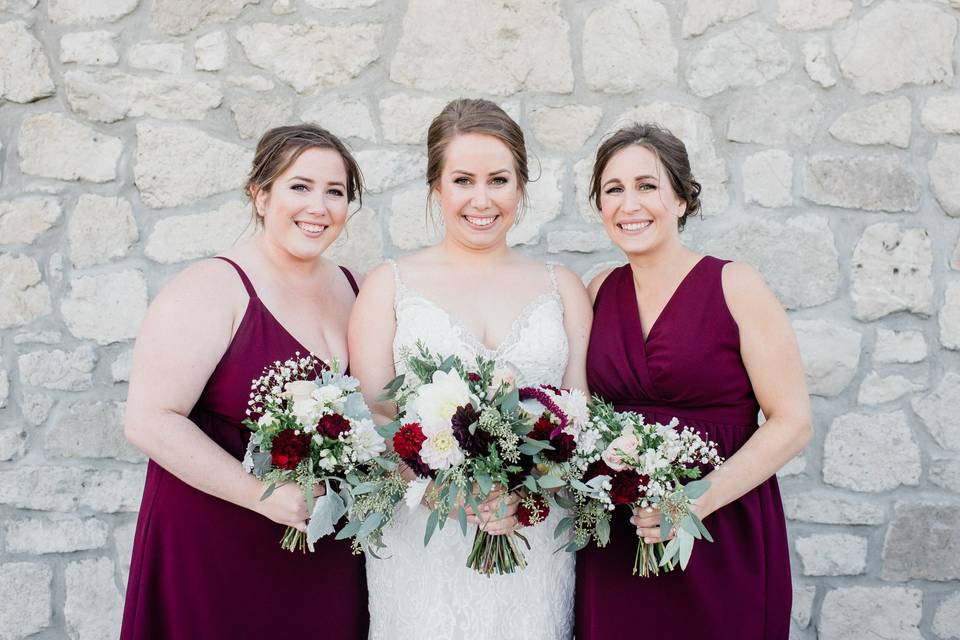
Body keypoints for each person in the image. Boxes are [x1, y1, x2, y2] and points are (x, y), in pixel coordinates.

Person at [349, 98, 592, 639]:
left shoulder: (563, 287)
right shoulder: (389, 285)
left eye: (499, 180)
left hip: (531, 536)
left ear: (522, 187)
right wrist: (441, 485)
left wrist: (525, 493)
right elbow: (371, 417)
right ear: (436, 187)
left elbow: (578, 420)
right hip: (423, 538)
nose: (482, 200)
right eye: (463, 180)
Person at [120, 124, 369, 639]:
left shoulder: (355, 288)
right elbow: (148, 421)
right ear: (259, 195)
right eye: (299, 186)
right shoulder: (212, 288)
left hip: (324, 552)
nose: (318, 206)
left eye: (335, 191)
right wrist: (263, 495)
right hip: (216, 546)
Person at [576, 123, 811, 639]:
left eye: (647, 186)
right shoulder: (597, 291)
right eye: (613, 190)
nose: (628, 203)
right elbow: (581, 412)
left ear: (681, 199)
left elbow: (792, 422)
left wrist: (695, 501)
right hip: (621, 533)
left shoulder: (735, 285)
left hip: (720, 530)